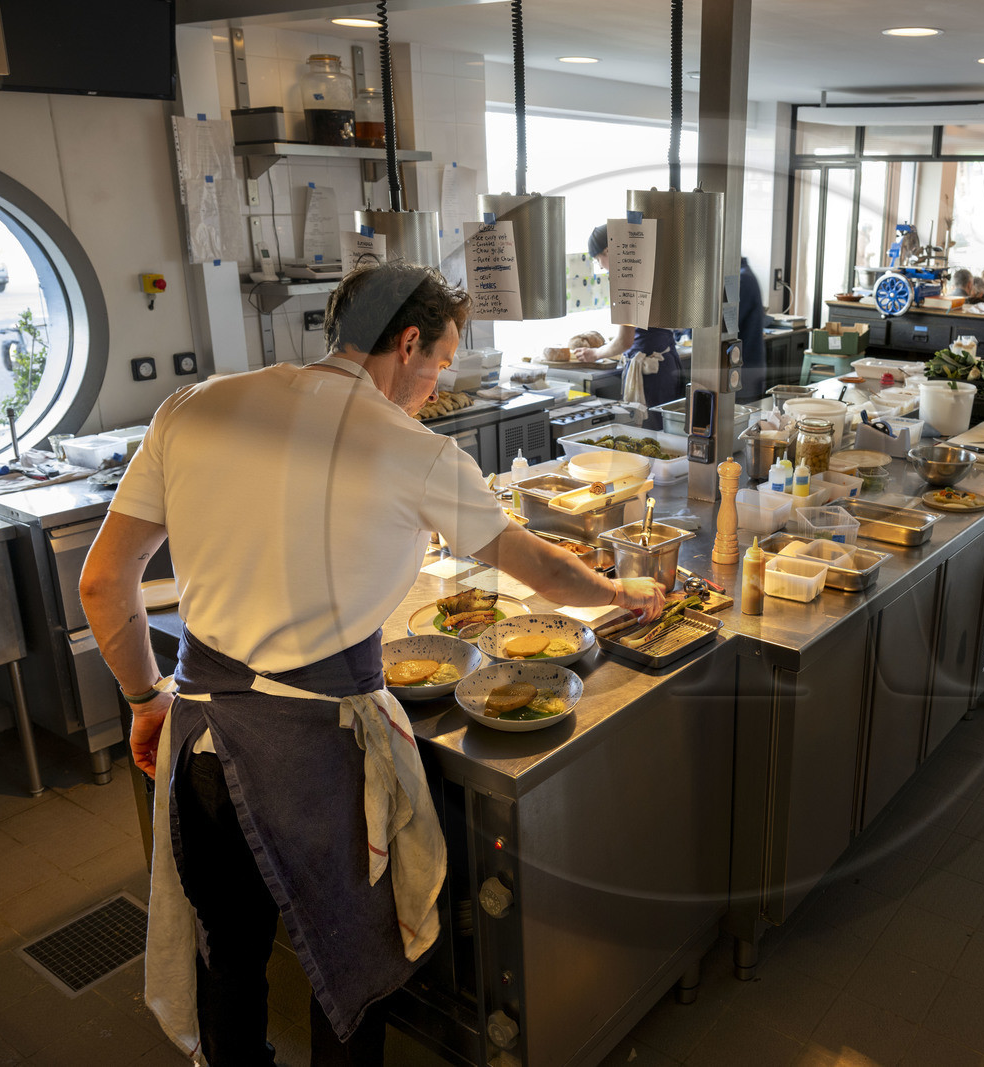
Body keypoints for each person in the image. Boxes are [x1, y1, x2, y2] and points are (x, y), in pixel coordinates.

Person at [80, 263, 665, 1067]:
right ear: (410, 341)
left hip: (203, 740)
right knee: (348, 966)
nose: (437, 384)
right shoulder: (414, 450)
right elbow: (537, 566)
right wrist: (621, 591)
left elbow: (104, 580)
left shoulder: (193, 406)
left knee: (231, 953)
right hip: (316, 760)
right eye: (440, 364)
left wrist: (146, 699)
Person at [574, 224, 685, 408]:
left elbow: (624, 341)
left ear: (608, 250)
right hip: (668, 362)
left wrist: (595, 353)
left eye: (597, 259)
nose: (601, 266)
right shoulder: (649, 269)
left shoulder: (626, 280)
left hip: (650, 372)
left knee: (648, 434)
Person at [737, 255, 767, 401]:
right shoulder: (744, 275)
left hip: (746, 367)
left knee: (742, 420)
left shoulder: (744, 280)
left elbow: (728, 322)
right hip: (748, 366)